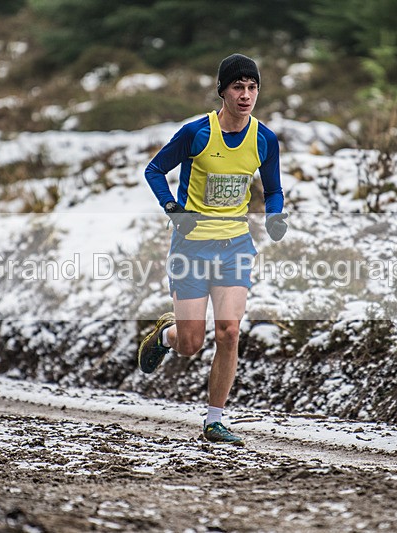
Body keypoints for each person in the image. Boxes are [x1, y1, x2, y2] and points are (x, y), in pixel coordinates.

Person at [138, 53, 288, 446]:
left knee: (230, 331)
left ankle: (214, 420)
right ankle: (165, 336)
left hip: (235, 245)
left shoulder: (264, 139)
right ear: (222, 91)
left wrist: (275, 216)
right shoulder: (196, 133)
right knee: (191, 343)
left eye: (252, 87)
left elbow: (272, 190)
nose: (246, 95)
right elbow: (154, 170)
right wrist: (172, 208)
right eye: (238, 87)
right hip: (191, 245)